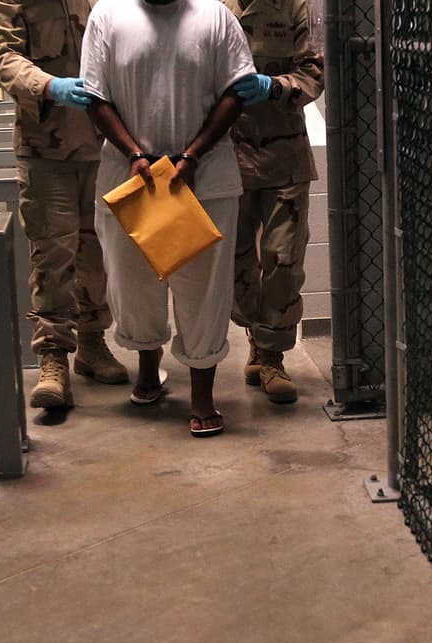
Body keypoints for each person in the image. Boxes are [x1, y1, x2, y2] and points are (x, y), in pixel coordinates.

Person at [80, 0, 256, 437]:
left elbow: (237, 90)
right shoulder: (108, 15)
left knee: (204, 289)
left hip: (202, 180)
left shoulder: (214, 16)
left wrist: (194, 153)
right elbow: (95, 96)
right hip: (130, 178)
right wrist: (136, 155)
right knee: (132, 284)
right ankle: (147, 368)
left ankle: (202, 395)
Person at [0, 0, 129, 411]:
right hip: (45, 146)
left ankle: (93, 344)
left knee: (98, 251)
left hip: (105, 144)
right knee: (52, 252)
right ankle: (52, 359)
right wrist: (48, 85)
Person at [223, 0, 323, 404]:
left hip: (284, 157)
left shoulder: (295, 6)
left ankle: (271, 356)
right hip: (225, 156)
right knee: (235, 260)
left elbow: (314, 72)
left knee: (282, 258)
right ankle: (254, 333)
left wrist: (276, 86)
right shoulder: (208, 6)